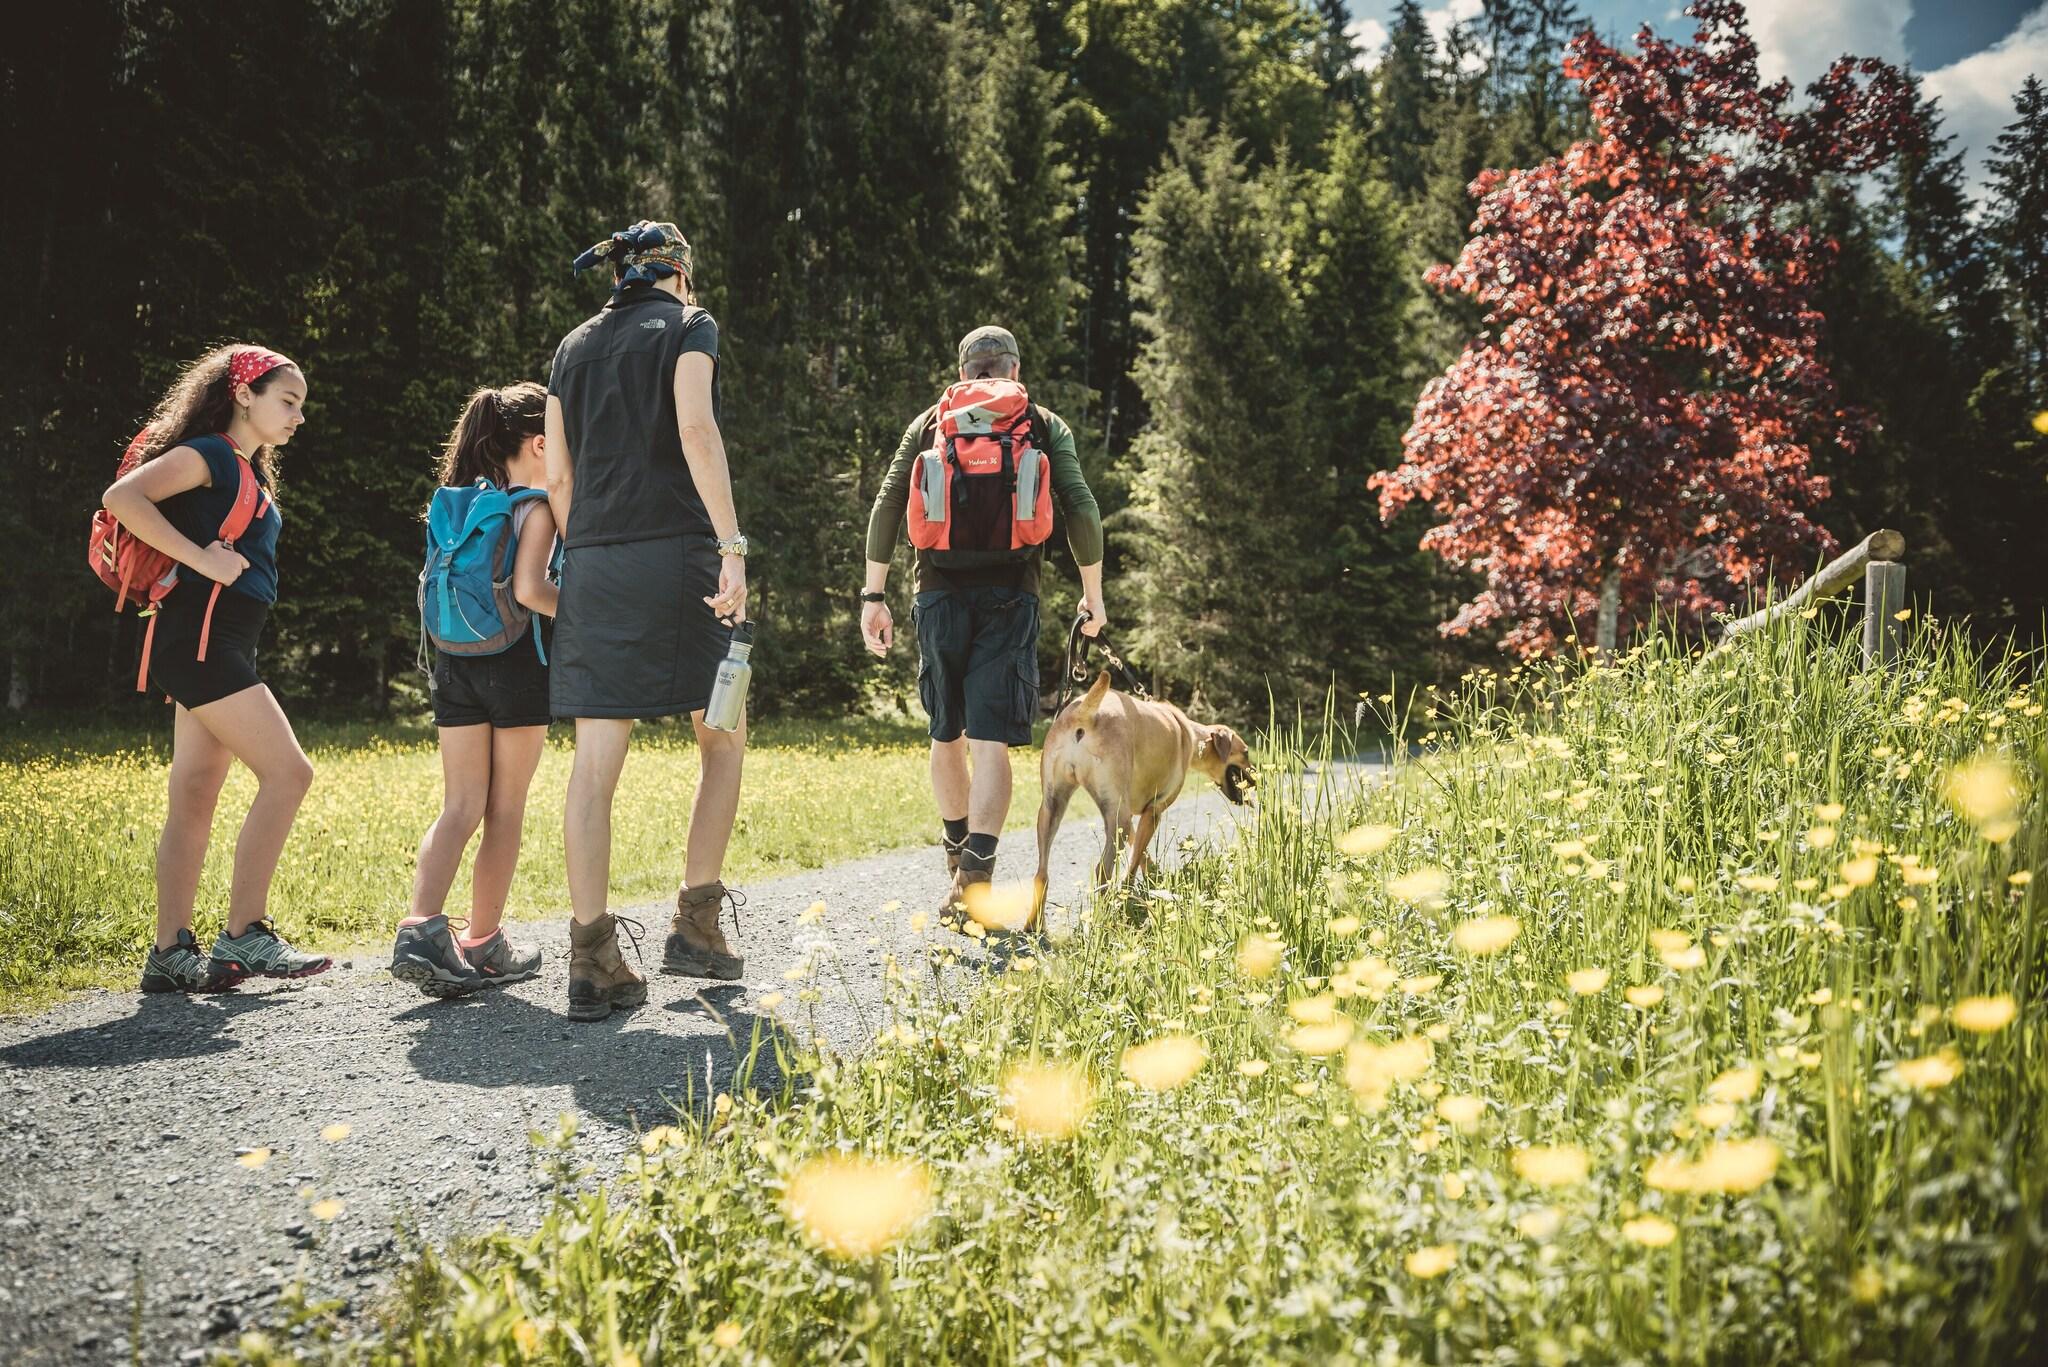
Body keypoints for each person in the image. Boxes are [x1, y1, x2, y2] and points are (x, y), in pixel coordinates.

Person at [544, 220, 751, 1023]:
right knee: (722, 733)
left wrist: (593, 551)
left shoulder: (571, 348)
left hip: (595, 561)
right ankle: (697, 925)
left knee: (595, 761)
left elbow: (557, 476)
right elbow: (696, 427)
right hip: (685, 560)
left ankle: (591, 956)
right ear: (679, 274)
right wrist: (730, 546)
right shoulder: (691, 325)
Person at [99, 344, 330, 991]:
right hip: (202, 642)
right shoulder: (208, 455)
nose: (297, 417)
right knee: (289, 772)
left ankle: (170, 952)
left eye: (301, 406)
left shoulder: (244, 469)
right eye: (288, 401)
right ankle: (245, 933)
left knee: (195, 794)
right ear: (244, 395)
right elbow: (124, 497)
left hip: (211, 642)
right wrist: (203, 559)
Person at [860, 325, 1105, 914]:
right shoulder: (1043, 424)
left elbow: (889, 503)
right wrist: (1092, 596)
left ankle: (957, 857)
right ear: (1015, 370)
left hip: (939, 592)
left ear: (964, 369)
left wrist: (873, 595)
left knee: (947, 733)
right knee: (991, 742)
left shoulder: (932, 420)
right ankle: (974, 879)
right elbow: (1080, 506)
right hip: (1011, 591)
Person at [389, 383, 557, 997]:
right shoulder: (534, 507)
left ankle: (422, 926)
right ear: (541, 443)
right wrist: (588, 613)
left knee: (459, 805)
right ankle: (484, 941)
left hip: (452, 663)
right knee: (504, 809)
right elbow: (532, 591)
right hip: (516, 666)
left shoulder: (462, 504)